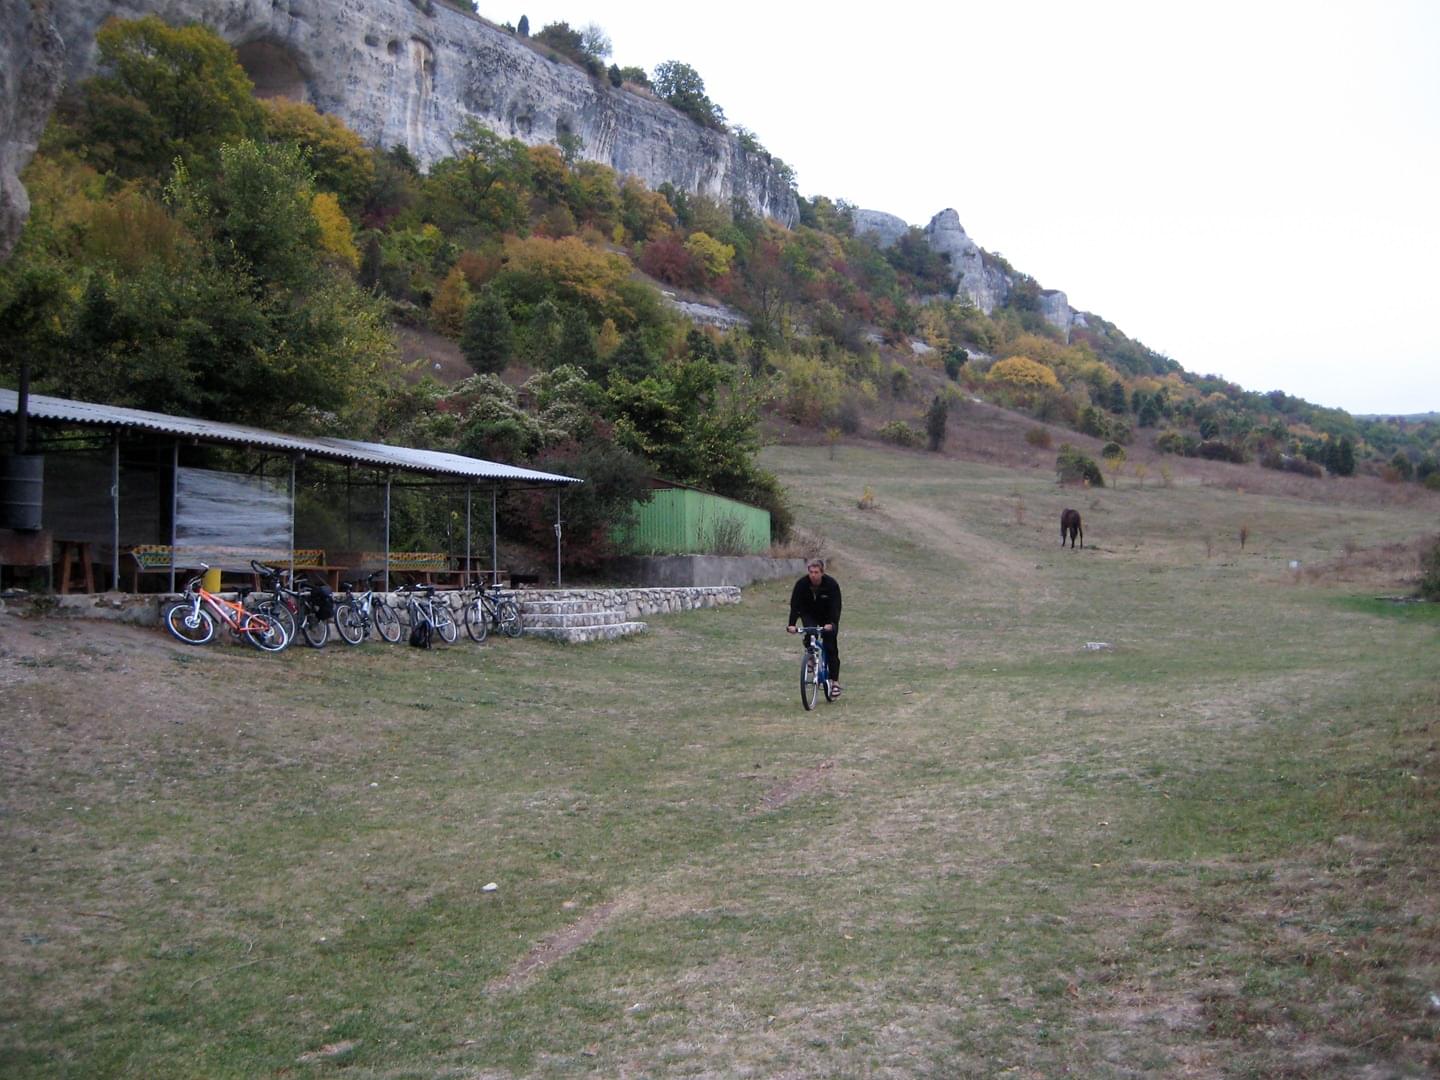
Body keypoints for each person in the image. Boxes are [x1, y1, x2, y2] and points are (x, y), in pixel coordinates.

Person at [787, 557, 842, 698]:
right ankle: (810, 657)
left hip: (827, 616)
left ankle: (835, 682)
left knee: (830, 647)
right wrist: (792, 624)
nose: (813, 575)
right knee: (809, 631)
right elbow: (795, 606)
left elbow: (836, 606)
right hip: (809, 613)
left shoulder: (831, 585)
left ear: (822, 572)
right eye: (811, 572)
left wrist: (832, 623)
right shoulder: (801, 584)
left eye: (816, 572)